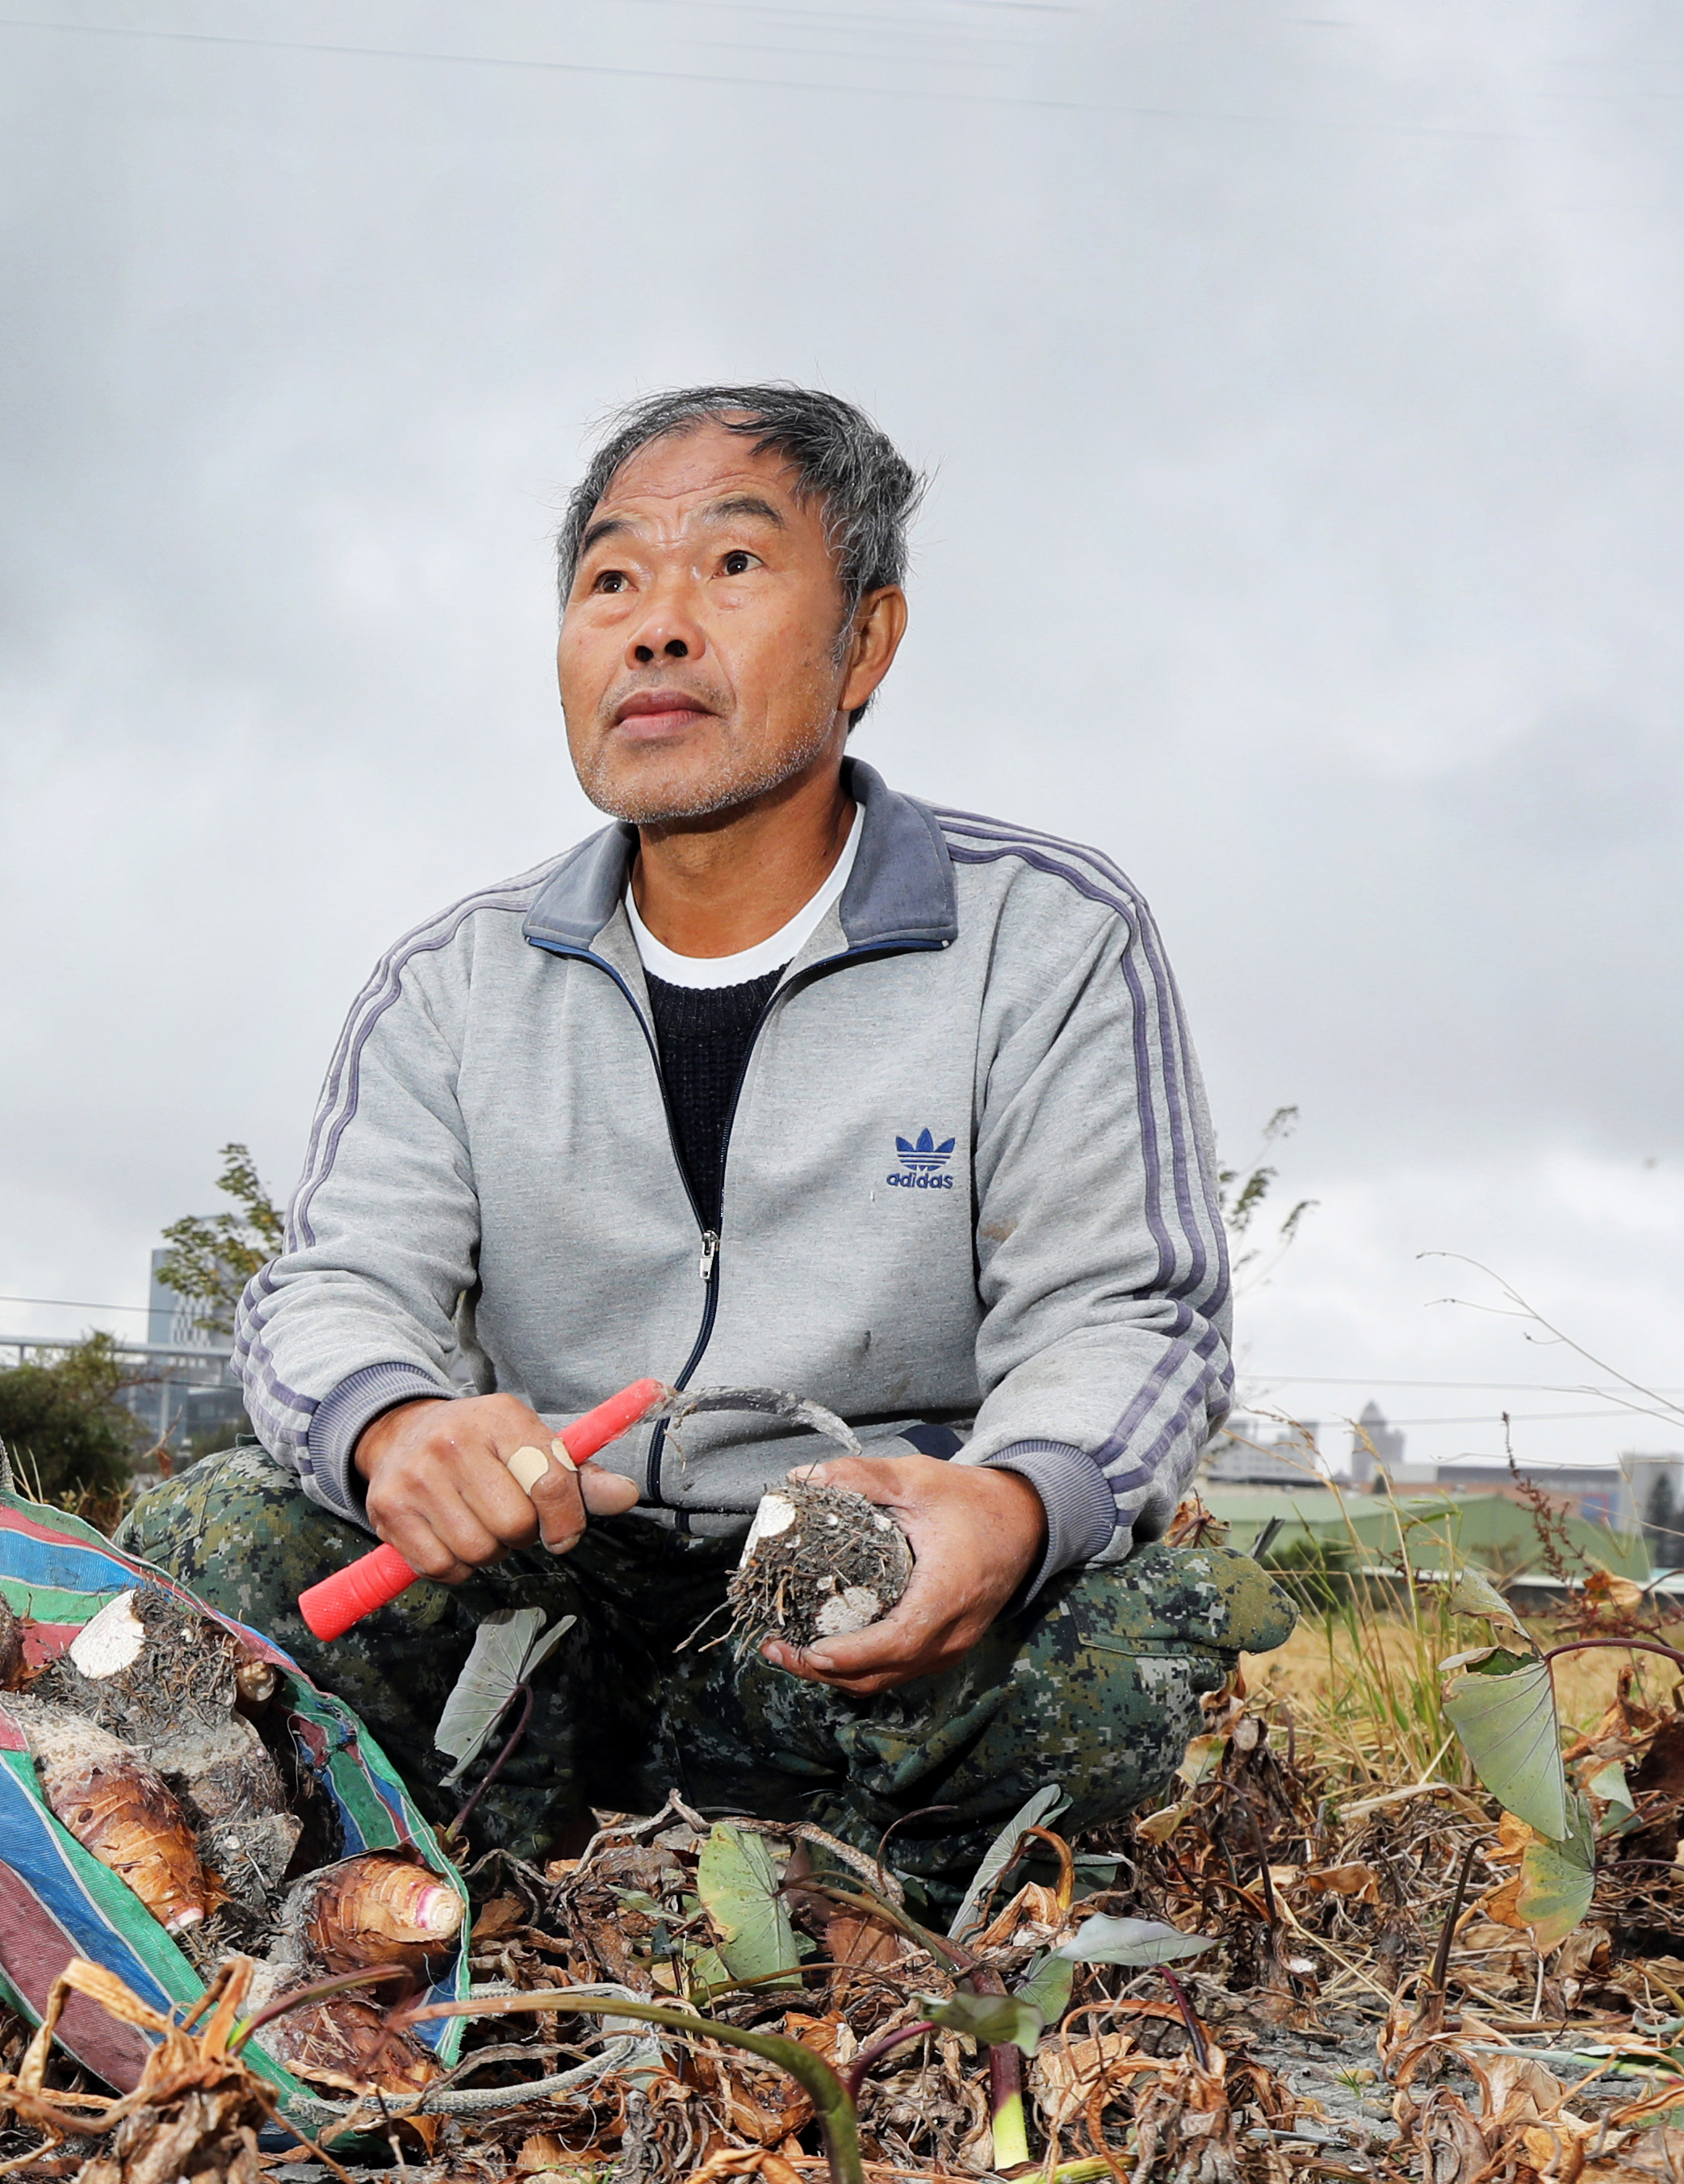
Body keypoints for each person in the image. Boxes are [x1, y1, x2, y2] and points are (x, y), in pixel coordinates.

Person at [127, 384, 1282, 1905]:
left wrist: (1008, 1510)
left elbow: (1124, 1314)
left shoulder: (1045, 937)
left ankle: (806, 1891)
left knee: (1127, 1636)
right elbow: (334, 1286)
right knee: (215, 1535)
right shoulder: (453, 983)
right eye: (612, 580)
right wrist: (398, 1430)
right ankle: (500, 1855)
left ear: (866, 641)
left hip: (847, 1598)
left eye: (732, 566)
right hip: (540, 1589)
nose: (656, 629)